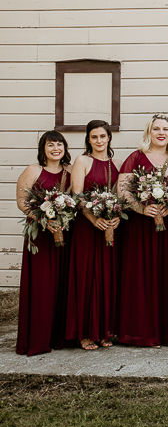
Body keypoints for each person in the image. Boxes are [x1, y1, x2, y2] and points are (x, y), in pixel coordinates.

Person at [116, 114, 168, 347]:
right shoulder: (135, 158)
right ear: (149, 132)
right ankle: (140, 331)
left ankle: (166, 332)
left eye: (165, 129)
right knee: (141, 276)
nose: (161, 133)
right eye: (156, 129)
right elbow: (122, 191)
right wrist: (142, 210)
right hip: (140, 227)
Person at [65, 120, 123, 351]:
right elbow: (78, 195)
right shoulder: (82, 161)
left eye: (103, 136)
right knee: (87, 277)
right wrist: (94, 218)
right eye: (94, 137)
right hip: (87, 228)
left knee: (107, 277)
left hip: (111, 227)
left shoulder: (117, 163)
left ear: (109, 137)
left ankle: (103, 330)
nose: (99, 141)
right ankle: (84, 333)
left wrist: (117, 216)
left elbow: (121, 196)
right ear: (88, 140)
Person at [15, 131, 73, 356]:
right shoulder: (33, 170)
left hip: (62, 234)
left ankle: (58, 337)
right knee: (42, 285)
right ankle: (37, 339)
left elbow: (71, 200)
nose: (56, 148)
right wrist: (43, 218)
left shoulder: (69, 173)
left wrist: (60, 219)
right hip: (39, 234)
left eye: (60, 144)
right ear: (43, 148)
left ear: (65, 148)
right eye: (51, 145)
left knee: (61, 283)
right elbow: (22, 202)